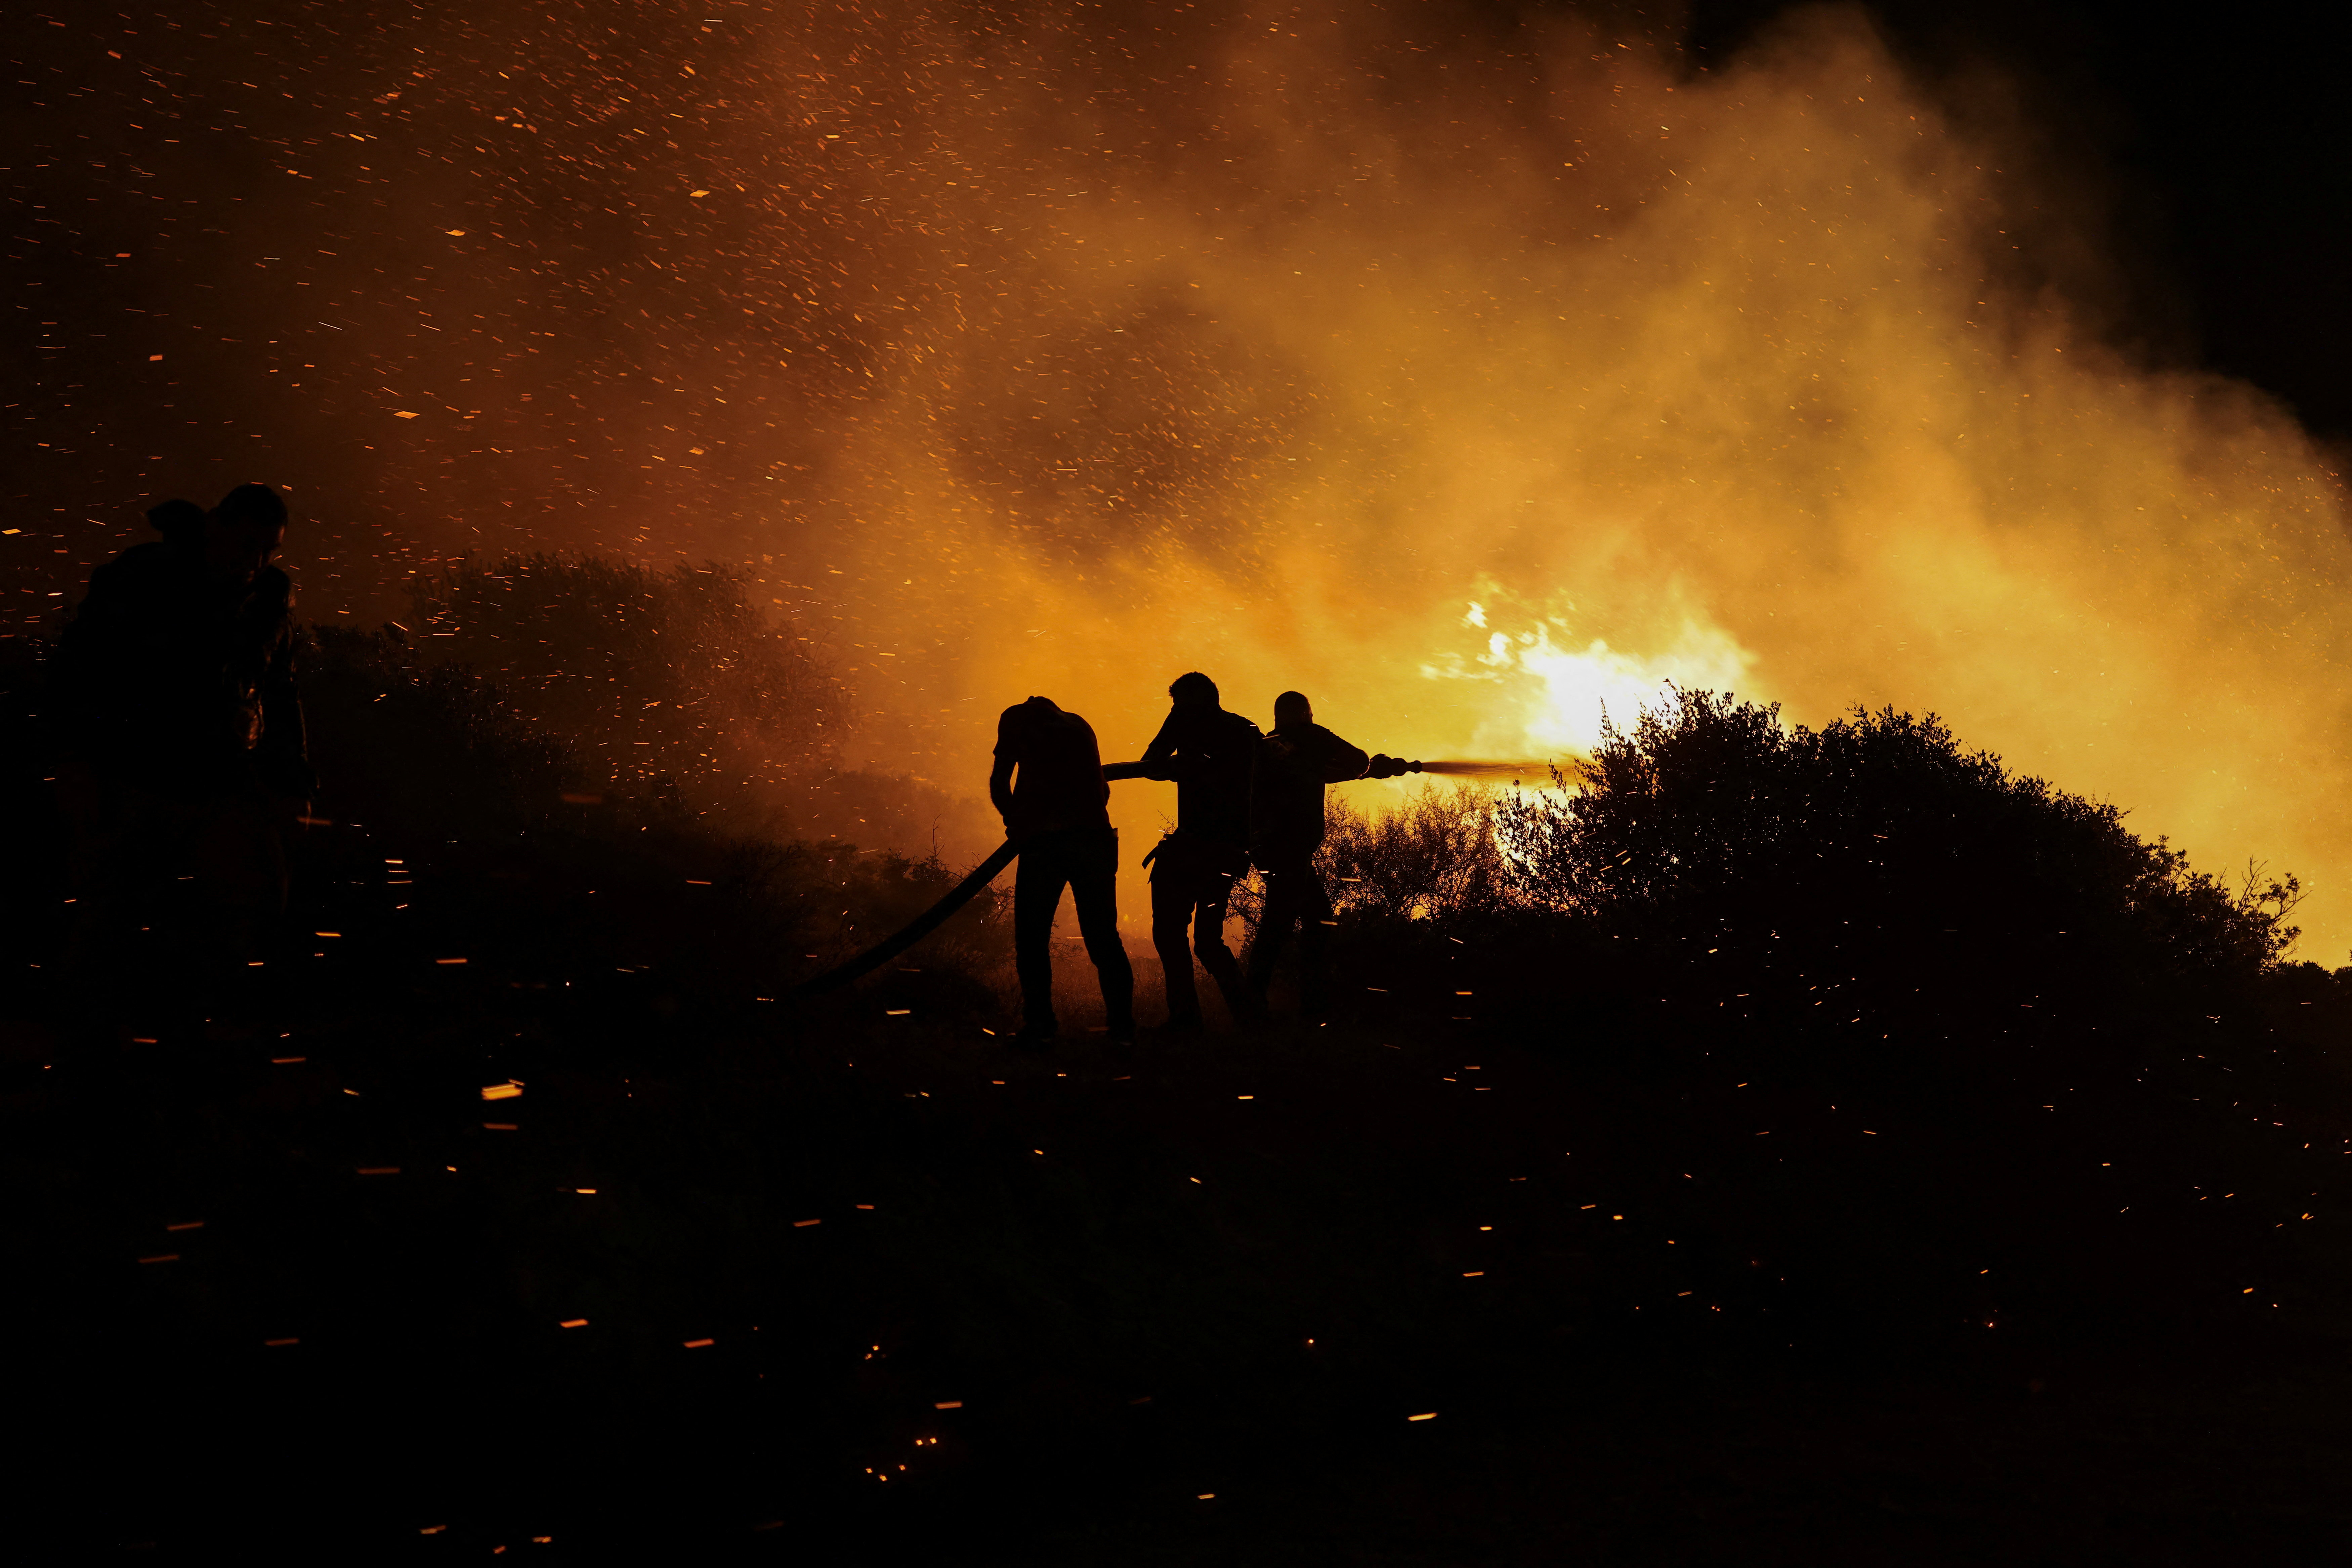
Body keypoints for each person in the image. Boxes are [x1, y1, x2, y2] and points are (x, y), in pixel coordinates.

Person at [50, 483, 314, 1014]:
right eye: (248, 544)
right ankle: (87, 1054)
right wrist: (76, 761)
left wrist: (292, 782)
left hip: (223, 784)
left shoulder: (267, 599)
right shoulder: (144, 578)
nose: (256, 561)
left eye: (269, 550)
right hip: (136, 777)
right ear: (216, 526)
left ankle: (197, 1043)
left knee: (242, 916)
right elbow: (80, 672)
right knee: (111, 923)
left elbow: (279, 693)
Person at [990, 695, 1135, 1049]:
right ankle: (1122, 1027)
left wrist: (1015, 820)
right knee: (1104, 938)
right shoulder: (1079, 723)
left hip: (1046, 843)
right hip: (1095, 839)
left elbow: (999, 783)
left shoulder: (1016, 720)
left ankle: (1040, 1024)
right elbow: (1102, 790)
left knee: (1032, 938)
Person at [1137, 672, 1263, 1030]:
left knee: (1170, 932)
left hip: (1199, 847)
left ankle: (1187, 1019)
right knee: (1207, 942)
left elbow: (1150, 763)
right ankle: (1249, 1017)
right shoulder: (1245, 729)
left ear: (1191, 702)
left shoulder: (1188, 723)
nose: (1175, 709)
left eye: (1178, 702)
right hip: (1227, 851)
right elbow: (1155, 765)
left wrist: (1175, 764)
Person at [1246, 690, 1371, 1020]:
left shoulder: (1267, 745)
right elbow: (1359, 761)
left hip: (1269, 847)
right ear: (1306, 714)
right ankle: (1261, 1005)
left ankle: (1299, 1003)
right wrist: (1329, 772)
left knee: (1315, 918)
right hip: (1292, 847)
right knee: (1282, 924)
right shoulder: (1313, 737)